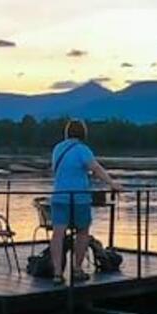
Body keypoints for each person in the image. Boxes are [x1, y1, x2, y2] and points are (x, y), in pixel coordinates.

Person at [49, 118, 123, 281]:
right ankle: (77, 269)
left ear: (67, 132)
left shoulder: (57, 148)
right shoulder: (83, 149)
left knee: (57, 234)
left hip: (59, 196)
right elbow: (95, 168)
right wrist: (112, 183)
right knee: (82, 232)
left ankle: (57, 273)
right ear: (83, 133)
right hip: (79, 197)